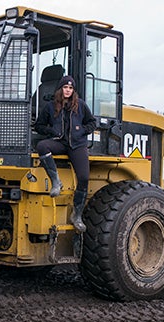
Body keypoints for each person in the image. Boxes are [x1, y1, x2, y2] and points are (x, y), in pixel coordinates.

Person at [33, 75, 96, 232]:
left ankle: (77, 215)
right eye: (65, 87)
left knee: (83, 177)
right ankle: (56, 181)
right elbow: (39, 125)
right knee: (42, 146)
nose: (68, 90)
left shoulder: (80, 105)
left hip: (77, 145)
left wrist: (82, 130)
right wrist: (50, 130)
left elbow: (92, 122)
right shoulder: (50, 106)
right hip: (60, 143)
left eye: (70, 88)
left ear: (73, 90)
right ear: (60, 89)